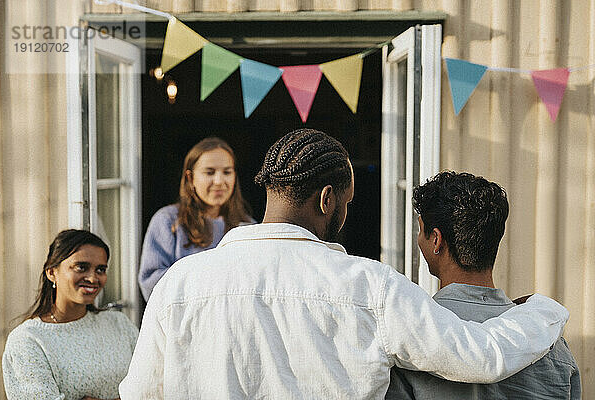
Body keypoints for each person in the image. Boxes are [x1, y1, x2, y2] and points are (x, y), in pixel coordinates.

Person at [119, 128, 568, 399]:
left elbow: (139, 394)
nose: (346, 214)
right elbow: (482, 358)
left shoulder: (180, 285)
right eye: (348, 202)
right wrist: (543, 310)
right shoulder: (369, 286)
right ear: (328, 199)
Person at [386, 171, 581, 400]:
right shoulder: (553, 344)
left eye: (420, 230)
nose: (419, 239)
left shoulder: (411, 339)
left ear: (436, 240)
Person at [2, 229, 139, 400]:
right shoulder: (28, 340)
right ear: (51, 272)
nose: (92, 278)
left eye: (100, 269)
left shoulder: (119, 324)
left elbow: (152, 385)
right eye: (81, 267)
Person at [138, 137, 253, 301]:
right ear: (190, 178)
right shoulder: (168, 221)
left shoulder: (247, 227)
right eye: (209, 172)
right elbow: (151, 284)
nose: (219, 181)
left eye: (227, 172)